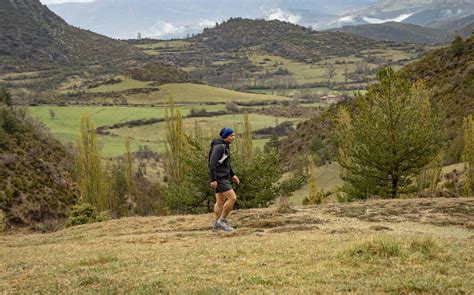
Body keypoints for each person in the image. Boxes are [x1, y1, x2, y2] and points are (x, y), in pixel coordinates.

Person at [209, 127, 240, 232]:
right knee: (232, 198)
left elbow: (225, 162)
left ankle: (217, 224)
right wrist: (213, 179)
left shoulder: (224, 146)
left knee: (220, 201)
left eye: (234, 135)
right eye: (231, 135)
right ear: (225, 136)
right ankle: (222, 221)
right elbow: (212, 163)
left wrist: (232, 174)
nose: (233, 137)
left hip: (222, 176)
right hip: (219, 178)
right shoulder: (220, 147)